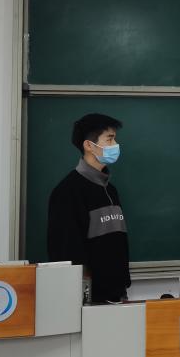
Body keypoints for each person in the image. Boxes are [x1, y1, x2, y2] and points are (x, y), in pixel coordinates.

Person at [47, 113, 130, 304]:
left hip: (117, 294)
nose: (115, 145)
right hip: (88, 299)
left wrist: (121, 286)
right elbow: (65, 252)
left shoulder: (110, 189)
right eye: (109, 139)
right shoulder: (67, 191)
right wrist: (84, 296)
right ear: (89, 145)